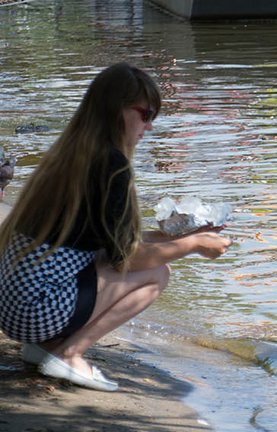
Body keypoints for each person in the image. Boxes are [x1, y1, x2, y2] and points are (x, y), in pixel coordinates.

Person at [1, 63, 232, 391]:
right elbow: (128, 259)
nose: (148, 127)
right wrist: (194, 247)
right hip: (37, 310)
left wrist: (181, 236)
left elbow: (104, 242)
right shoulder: (112, 166)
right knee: (158, 273)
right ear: (116, 110)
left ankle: (45, 348)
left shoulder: (69, 155)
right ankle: (69, 353)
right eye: (146, 114)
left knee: (121, 262)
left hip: (13, 306)